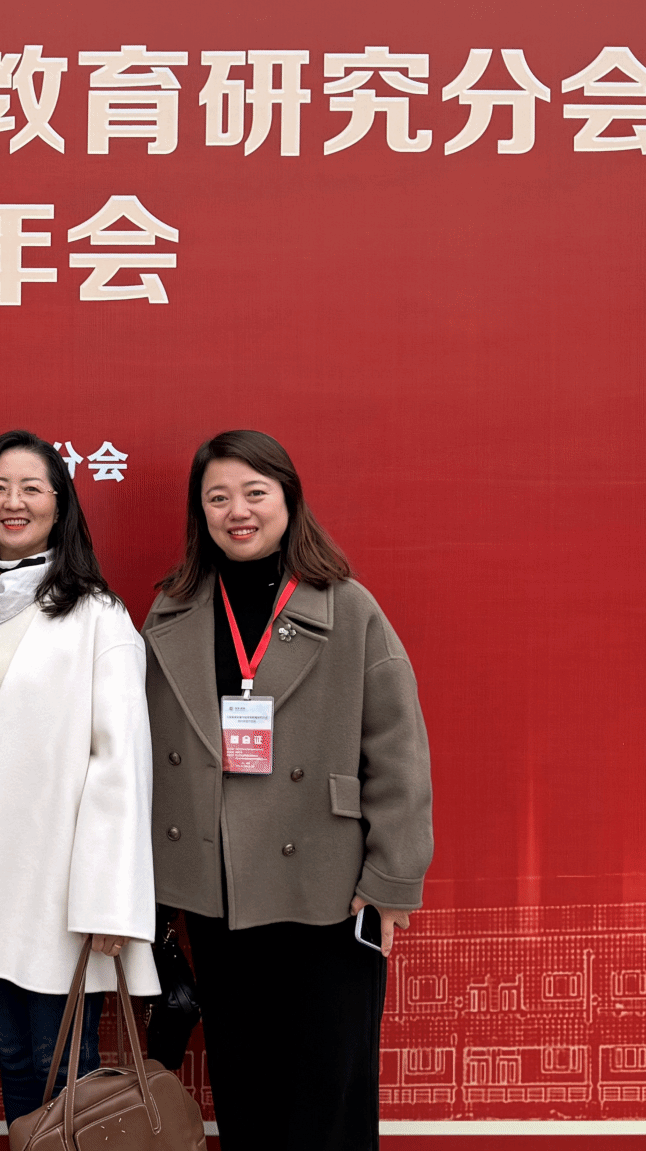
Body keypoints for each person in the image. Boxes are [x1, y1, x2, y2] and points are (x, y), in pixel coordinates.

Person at [143, 430, 433, 1150]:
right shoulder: (172, 612)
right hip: (219, 895)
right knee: (247, 1091)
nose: (237, 511)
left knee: (329, 1097)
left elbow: (397, 749)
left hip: (328, 892)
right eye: (217, 498)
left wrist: (391, 882)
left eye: (254, 493)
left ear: (289, 499)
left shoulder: (347, 607)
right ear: (200, 513)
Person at [0, 430, 158, 1125]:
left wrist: (111, 903)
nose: (13, 502)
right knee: (15, 1060)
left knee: (64, 1066)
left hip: (61, 890)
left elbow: (121, 766)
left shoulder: (98, 616)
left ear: (59, 505)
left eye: (31, 488)